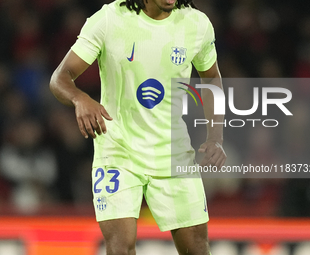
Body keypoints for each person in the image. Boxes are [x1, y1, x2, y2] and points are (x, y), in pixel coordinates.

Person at [49, 0, 227, 254]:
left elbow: (211, 77)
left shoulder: (196, 24)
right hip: (119, 152)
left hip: (172, 153)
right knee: (120, 248)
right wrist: (81, 99)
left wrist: (216, 136)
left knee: (197, 249)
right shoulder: (109, 19)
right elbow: (60, 77)